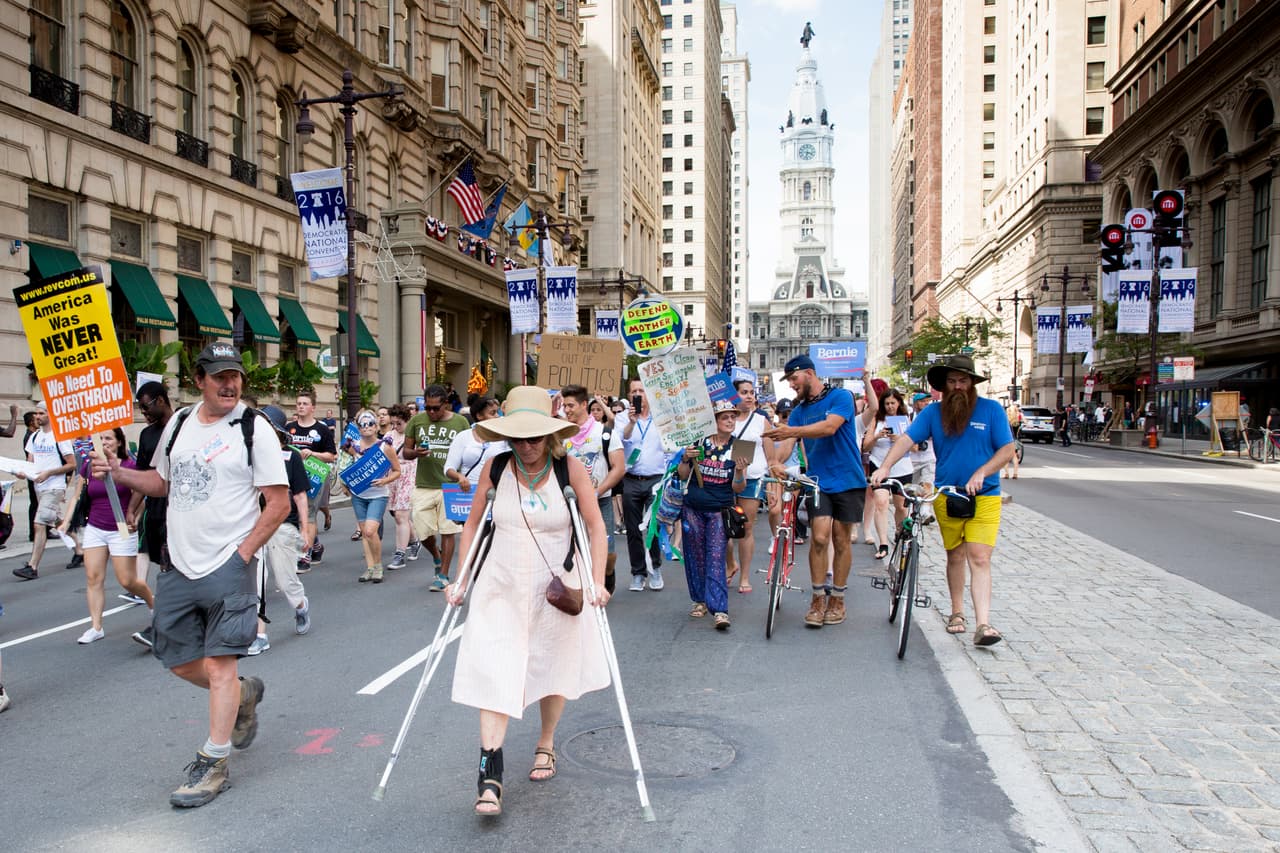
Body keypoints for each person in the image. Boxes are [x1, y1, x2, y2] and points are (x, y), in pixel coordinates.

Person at [91, 342, 290, 807]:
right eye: (219, 376)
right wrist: (117, 472)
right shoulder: (179, 423)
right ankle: (243, 695)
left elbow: (277, 502)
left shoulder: (252, 428)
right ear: (198, 380)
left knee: (221, 664)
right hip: (177, 564)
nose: (229, 384)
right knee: (177, 659)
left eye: (235, 375)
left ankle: (213, 762)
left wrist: (241, 556)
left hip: (229, 564)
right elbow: (161, 482)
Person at [445, 386, 610, 818]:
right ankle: (490, 774)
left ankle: (545, 742)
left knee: (551, 666)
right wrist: (460, 576)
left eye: (534, 437)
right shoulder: (496, 469)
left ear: (550, 435)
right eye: (517, 438)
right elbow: (472, 524)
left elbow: (595, 527)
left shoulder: (568, 468)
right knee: (494, 669)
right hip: (500, 582)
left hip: (556, 583)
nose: (526, 446)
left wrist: (596, 582)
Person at [871, 355, 1016, 647]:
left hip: (985, 494)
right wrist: (885, 466)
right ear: (944, 386)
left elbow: (1007, 449)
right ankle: (957, 612)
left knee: (979, 556)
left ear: (973, 383)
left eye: (963, 381)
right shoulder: (933, 413)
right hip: (947, 494)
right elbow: (907, 439)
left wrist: (982, 472)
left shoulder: (991, 410)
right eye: (952, 381)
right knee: (956, 555)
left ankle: (984, 624)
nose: (958, 386)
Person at [762, 357, 878, 628]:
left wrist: (794, 430)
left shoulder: (841, 397)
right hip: (817, 482)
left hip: (848, 479)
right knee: (819, 538)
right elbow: (789, 442)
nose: (791, 385)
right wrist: (775, 462)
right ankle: (817, 598)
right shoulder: (800, 411)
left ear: (810, 374)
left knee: (841, 539)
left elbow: (829, 428)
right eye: (789, 380)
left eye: (794, 379)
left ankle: (837, 597)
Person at [58, 428, 153, 644]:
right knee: (93, 577)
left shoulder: (128, 466)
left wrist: (134, 514)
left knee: (127, 580)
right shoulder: (89, 466)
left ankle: (152, 604)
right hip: (95, 528)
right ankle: (96, 627)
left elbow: (143, 492)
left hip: (120, 529)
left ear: (119, 442)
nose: (103, 442)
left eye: (108, 438)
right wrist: (66, 521)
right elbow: (77, 496)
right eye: (99, 439)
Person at [246, 406, 314, 654]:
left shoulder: (290, 457)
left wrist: (305, 530)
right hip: (254, 526)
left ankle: (300, 604)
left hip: (282, 526)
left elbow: (300, 496)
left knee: (286, 583)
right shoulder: (248, 455)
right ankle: (260, 634)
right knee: (256, 579)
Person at [677, 399, 750, 629]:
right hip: (693, 507)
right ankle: (699, 601)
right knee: (695, 555)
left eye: (732, 417)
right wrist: (686, 458)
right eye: (724, 417)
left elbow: (739, 487)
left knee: (716, 556)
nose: (730, 421)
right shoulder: (698, 442)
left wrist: (738, 471)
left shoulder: (741, 446)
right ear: (714, 421)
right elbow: (682, 475)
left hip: (720, 510)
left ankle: (720, 609)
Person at [404, 384, 471, 590]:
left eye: (435, 408)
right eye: (428, 408)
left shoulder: (460, 422)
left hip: (450, 486)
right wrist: (416, 453)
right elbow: (406, 452)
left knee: (448, 531)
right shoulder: (416, 421)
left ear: (446, 404)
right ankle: (436, 555)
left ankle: (443, 575)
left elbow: (469, 452)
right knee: (422, 531)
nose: (431, 412)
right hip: (424, 484)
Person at [560, 385, 625, 594]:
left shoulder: (604, 433)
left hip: (601, 500)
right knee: (573, 548)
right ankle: (583, 586)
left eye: (570, 405)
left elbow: (619, 468)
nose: (567, 409)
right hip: (570, 502)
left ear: (583, 405)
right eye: (564, 405)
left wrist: (597, 491)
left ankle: (608, 574)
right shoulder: (562, 435)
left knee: (608, 552)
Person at [128, 382, 175, 648]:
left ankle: (158, 627)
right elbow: (144, 476)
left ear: (160, 400)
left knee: (170, 571)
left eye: (146, 407)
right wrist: (131, 509)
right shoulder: (146, 435)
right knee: (169, 569)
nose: (143, 412)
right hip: (157, 510)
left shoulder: (184, 424)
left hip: (182, 511)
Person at [723, 379, 779, 595]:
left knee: (746, 527)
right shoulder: (725, 419)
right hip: (725, 478)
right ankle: (730, 564)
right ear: (734, 395)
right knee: (724, 528)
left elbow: (771, 458)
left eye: (751, 392)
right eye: (744, 392)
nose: (749, 396)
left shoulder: (761, 422)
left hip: (753, 479)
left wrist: (772, 487)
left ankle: (745, 576)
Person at [11, 402, 75, 581]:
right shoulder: (35, 437)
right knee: (56, 522)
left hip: (55, 487)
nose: (38, 417)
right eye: (36, 414)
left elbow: (72, 463)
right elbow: (30, 463)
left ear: (51, 415)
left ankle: (32, 566)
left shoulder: (59, 437)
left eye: (41, 413)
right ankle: (80, 547)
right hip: (40, 487)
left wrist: (49, 472)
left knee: (39, 523)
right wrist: (23, 473)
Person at [337, 408, 401, 583]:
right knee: (365, 533)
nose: (367, 427)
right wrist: (344, 482)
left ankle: (378, 566)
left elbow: (397, 471)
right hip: (358, 494)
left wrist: (385, 481)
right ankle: (370, 567)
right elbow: (346, 465)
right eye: (363, 425)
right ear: (358, 427)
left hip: (378, 494)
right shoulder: (353, 446)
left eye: (370, 423)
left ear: (375, 426)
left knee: (371, 530)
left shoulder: (385, 447)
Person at [616, 378, 668, 591]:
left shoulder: (662, 418)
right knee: (633, 528)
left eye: (641, 390)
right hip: (631, 479)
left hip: (656, 479)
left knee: (653, 526)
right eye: (634, 391)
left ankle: (655, 567)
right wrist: (632, 422)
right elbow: (621, 439)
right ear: (629, 395)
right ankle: (638, 572)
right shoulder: (622, 418)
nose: (637, 394)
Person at [863, 388, 914, 559]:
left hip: (902, 469)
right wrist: (878, 436)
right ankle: (883, 543)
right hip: (879, 466)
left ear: (899, 403)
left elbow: (914, 447)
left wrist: (898, 439)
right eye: (887, 403)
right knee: (881, 502)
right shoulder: (876, 420)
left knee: (901, 507)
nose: (890, 407)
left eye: (893, 403)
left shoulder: (907, 420)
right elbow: (866, 447)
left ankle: (900, 535)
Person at [286, 391, 337, 543]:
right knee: (293, 514)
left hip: (314, 476)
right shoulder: (289, 428)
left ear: (312, 408)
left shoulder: (322, 430)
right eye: (299, 403)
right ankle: (314, 545)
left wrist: (313, 454)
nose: (301, 406)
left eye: (305, 404)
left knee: (308, 514)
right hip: (292, 476)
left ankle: (304, 555)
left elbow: (332, 456)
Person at [384, 404, 421, 570]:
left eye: (399, 423)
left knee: (401, 514)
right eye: (393, 423)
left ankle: (400, 554)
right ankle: (414, 541)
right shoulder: (389, 435)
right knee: (397, 514)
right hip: (393, 476)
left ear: (407, 421)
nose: (395, 426)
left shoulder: (413, 435)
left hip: (408, 473)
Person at [909, 393, 937, 522]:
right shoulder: (908, 417)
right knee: (912, 488)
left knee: (927, 484)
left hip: (929, 457)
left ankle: (925, 512)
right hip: (912, 459)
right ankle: (912, 512)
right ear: (915, 404)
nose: (926, 403)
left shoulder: (934, 418)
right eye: (922, 401)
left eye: (928, 401)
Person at [1004, 402, 1021, 480]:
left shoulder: (1005, 420)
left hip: (1006, 440)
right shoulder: (1017, 420)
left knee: (1006, 458)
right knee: (1014, 457)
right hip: (1014, 440)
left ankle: (1006, 473)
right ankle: (1015, 474)